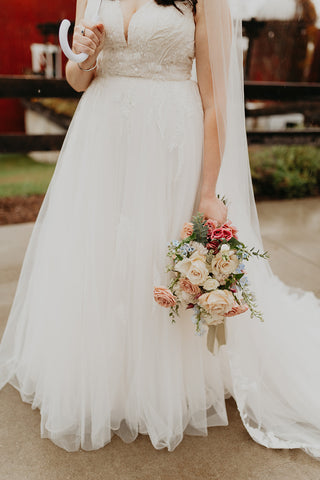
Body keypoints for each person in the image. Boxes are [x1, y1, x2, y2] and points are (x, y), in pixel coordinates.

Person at [0, 0, 320, 459]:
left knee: (156, 256)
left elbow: (214, 103)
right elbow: (78, 79)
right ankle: (104, 374)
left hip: (169, 144)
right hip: (102, 139)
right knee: (101, 255)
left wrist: (209, 191)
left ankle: (162, 380)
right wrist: (84, 55)